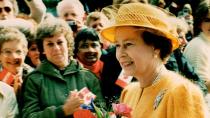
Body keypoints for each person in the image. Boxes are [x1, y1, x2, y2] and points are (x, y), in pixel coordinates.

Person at [100, 3, 209, 117]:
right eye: (117, 45)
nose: (120, 54)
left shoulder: (181, 92)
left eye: (128, 44)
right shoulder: (129, 92)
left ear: (156, 47)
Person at [21, 17, 105, 118]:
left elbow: (103, 112)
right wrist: (63, 110)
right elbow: (28, 116)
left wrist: (86, 111)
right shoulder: (34, 80)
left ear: (68, 44)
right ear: (43, 49)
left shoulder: (88, 77)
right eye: (50, 44)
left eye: (60, 42)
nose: (56, 48)